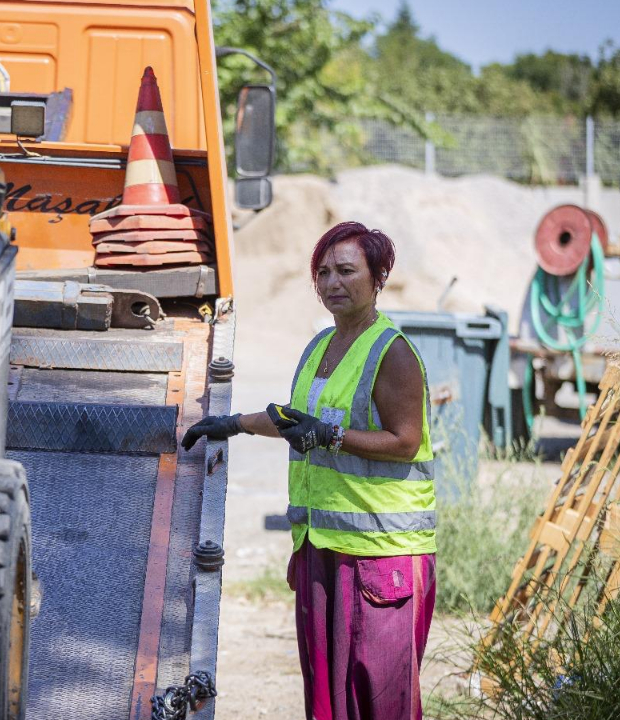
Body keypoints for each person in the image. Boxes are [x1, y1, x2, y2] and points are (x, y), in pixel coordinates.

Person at [184, 221, 437, 720]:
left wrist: (330, 435)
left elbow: (405, 442)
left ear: (379, 276)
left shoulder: (394, 353)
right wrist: (233, 423)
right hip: (320, 547)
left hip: (382, 556)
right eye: (322, 273)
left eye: (346, 271)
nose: (332, 283)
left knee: (380, 701)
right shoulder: (321, 344)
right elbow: (297, 421)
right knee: (328, 697)